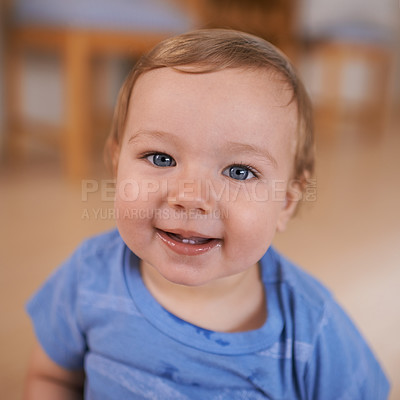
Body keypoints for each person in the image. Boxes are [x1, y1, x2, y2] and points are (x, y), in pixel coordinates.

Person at [23, 29, 390, 399]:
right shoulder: (89, 274)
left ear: (286, 201)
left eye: (239, 171)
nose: (190, 197)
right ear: (116, 163)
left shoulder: (314, 329)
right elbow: (52, 378)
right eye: (161, 158)